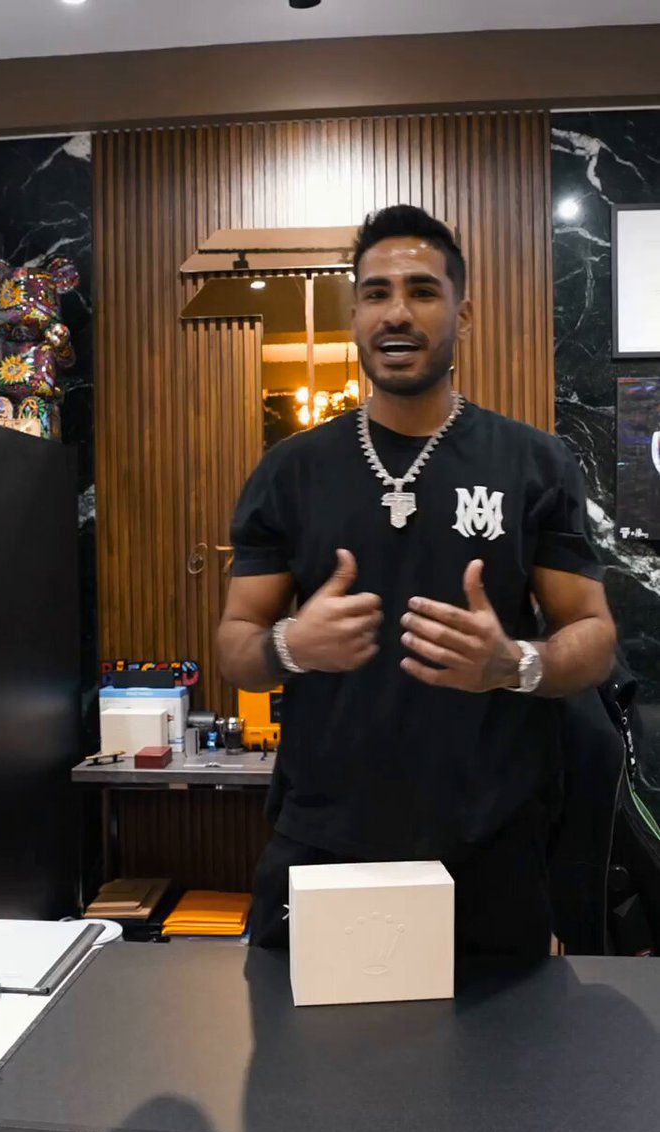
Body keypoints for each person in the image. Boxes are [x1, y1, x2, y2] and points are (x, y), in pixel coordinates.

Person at [218, 204, 616, 971]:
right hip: (324, 843)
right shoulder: (290, 472)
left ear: (461, 314)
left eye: (422, 291)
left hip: (490, 848)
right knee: (307, 1049)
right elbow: (237, 647)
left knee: (504, 1048)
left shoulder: (533, 463)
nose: (396, 312)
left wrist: (514, 664)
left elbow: (593, 637)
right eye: (375, 293)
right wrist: (292, 647)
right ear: (355, 315)